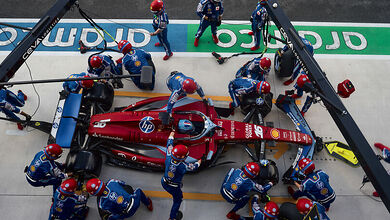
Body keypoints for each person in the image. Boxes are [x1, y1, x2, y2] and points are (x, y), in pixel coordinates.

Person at [161, 131, 201, 220]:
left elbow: (169, 145)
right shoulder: (182, 166)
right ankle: (172, 218)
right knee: (178, 201)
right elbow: (193, 167)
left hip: (164, 181)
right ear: (182, 157)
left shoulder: (169, 155)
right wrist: (199, 162)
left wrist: (171, 135)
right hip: (174, 187)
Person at [86, 178, 153, 219]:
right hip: (135, 202)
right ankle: (148, 204)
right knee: (138, 190)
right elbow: (123, 183)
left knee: (110, 218)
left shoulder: (102, 204)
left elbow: (113, 211)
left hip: (127, 214)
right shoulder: (111, 182)